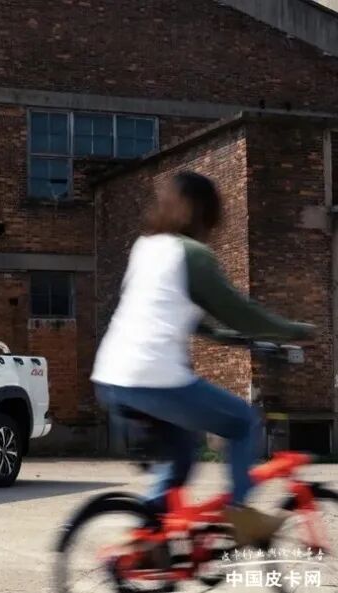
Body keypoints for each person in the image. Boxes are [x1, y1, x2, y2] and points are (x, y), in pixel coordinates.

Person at [92, 171, 314, 546]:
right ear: (204, 212)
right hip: (154, 378)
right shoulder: (192, 255)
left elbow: (181, 317)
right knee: (243, 421)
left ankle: (148, 541)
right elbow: (238, 311)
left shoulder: (146, 247)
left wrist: (234, 339)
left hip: (112, 377)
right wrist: (292, 330)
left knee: (181, 452)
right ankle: (240, 514)